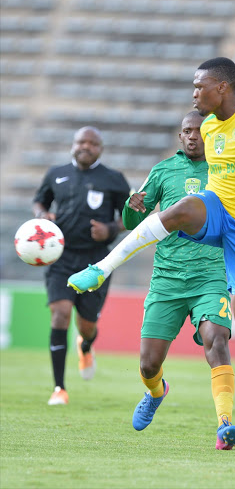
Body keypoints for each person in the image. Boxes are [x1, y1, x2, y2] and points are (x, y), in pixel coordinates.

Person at [68, 57, 235, 430]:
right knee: (181, 211)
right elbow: (225, 182)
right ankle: (101, 268)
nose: (194, 94)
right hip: (215, 212)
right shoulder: (209, 127)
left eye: (199, 87)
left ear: (222, 87)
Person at [33, 126, 130, 405]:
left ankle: (85, 345)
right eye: (81, 141)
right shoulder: (56, 173)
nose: (85, 146)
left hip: (97, 261)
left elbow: (131, 217)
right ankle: (59, 389)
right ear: (73, 145)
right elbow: (40, 200)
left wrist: (111, 228)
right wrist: (42, 214)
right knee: (60, 314)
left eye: (92, 143)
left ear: (100, 148)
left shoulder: (113, 179)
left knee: (87, 326)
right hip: (60, 257)